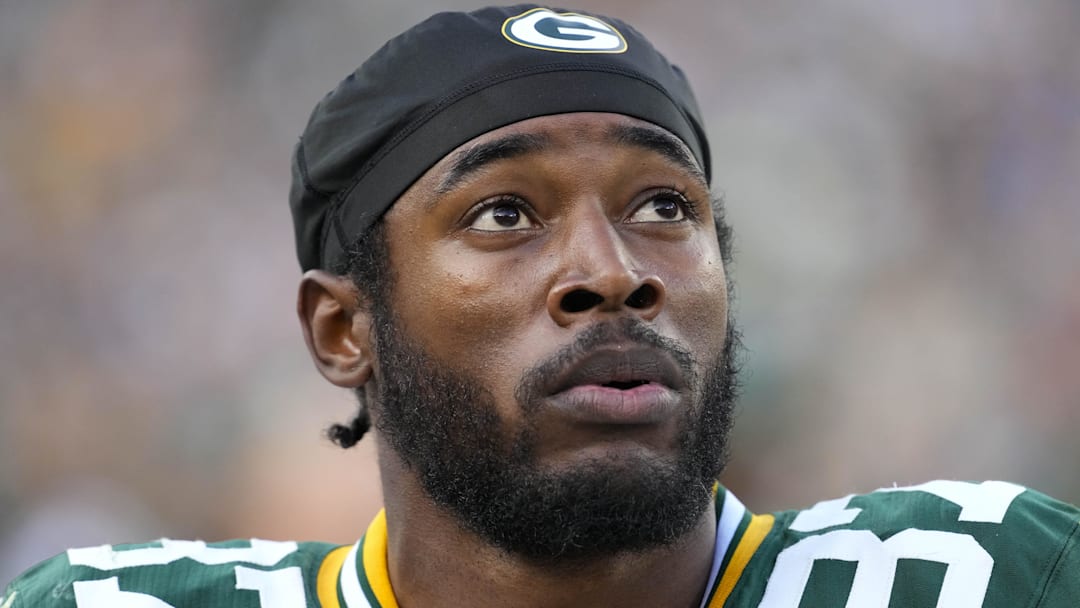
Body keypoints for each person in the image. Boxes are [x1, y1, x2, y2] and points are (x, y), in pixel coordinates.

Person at [4, 5, 1078, 607]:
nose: (612, 271)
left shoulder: (997, 578)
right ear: (344, 329)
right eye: (506, 213)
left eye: (665, 204)